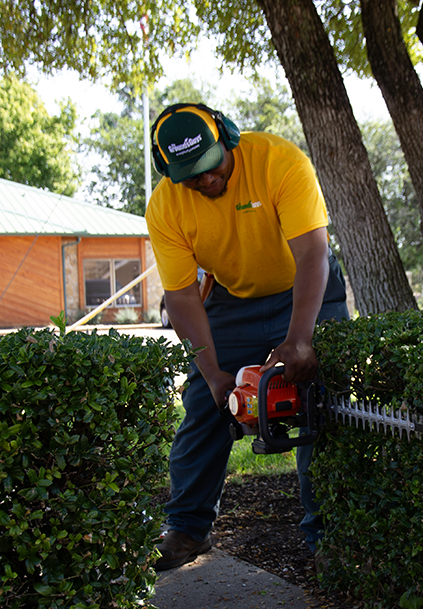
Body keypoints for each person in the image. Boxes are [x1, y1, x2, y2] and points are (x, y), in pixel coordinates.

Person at [145, 103, 349, 572]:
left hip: (305, 288)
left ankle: (330, 535)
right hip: (231, 299)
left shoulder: (279, 161)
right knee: (204, 405)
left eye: (210, 166)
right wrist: (212, 372)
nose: (205, 181)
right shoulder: (166, 205)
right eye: (190, 175)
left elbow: (313, 254)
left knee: (320, 401)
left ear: (227, 138)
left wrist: (300, 340)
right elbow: (180, 297)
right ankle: (188, 528)